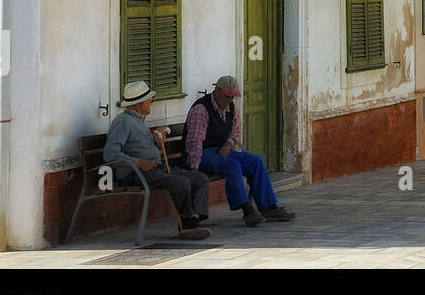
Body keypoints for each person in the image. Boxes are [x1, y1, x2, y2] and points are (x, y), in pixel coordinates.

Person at [104, 81, 211, 240]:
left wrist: (158, 142)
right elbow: (110, 153)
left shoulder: (138, 121)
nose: (152, 102)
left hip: (153, 169)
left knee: (200, 179)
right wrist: (138, 162)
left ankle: (193, 219)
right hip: (136, 173)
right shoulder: (123, 122)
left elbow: (145, 151)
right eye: (149, 100)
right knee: (180, 182)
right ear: (140, 104)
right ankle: (188, 226)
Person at [184, 75, 295, 226]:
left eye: (232, 97)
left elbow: (235, 130)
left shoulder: (231, 108)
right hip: (203, 153)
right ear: (216, 91)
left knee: (255, 162)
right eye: (227, 96)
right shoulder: (201, 109)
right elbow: (194, 142)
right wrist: (194, 168)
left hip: (222, 149)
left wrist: (229, 143)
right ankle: (247, 209)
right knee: (232, 165)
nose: (230, 100)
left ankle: (268, 207)